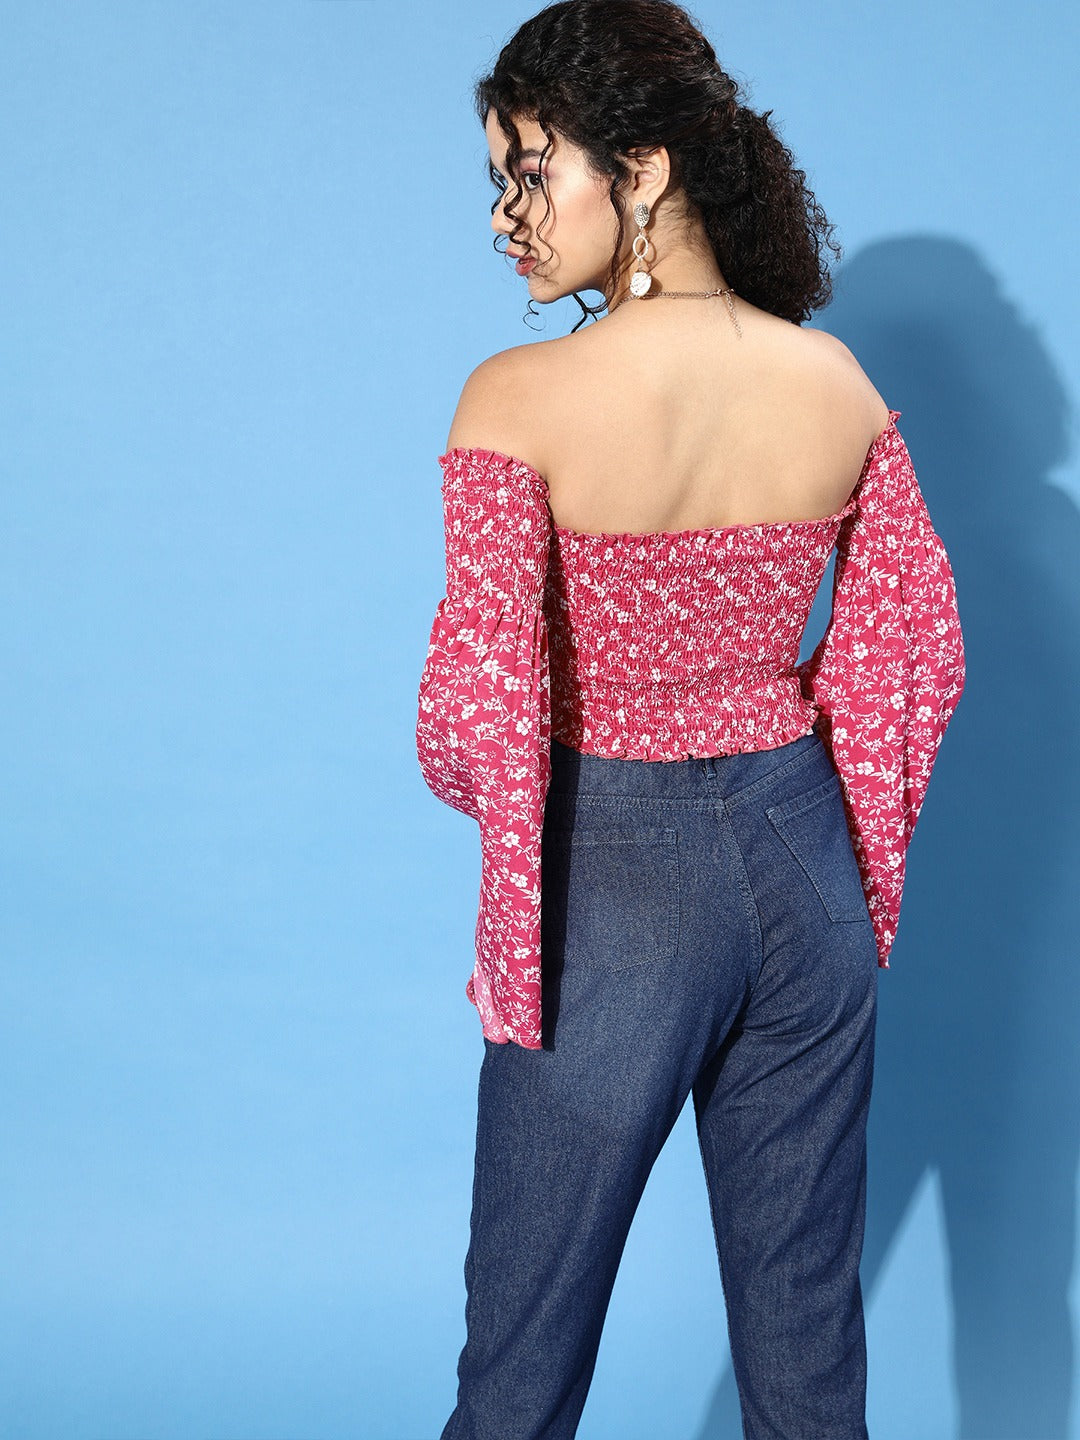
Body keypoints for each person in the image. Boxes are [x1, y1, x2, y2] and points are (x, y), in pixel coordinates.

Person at [414, 2, 966, 1436]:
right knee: (807, 1353)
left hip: (609, 882)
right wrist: (842, 844)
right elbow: (914, 656)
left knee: (519, 1362)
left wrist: (514, 845)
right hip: (805, 867)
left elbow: (476, 708)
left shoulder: (516, 397)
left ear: (644, 167)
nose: (506, 217)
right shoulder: (838, 386)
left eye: (531, 170)